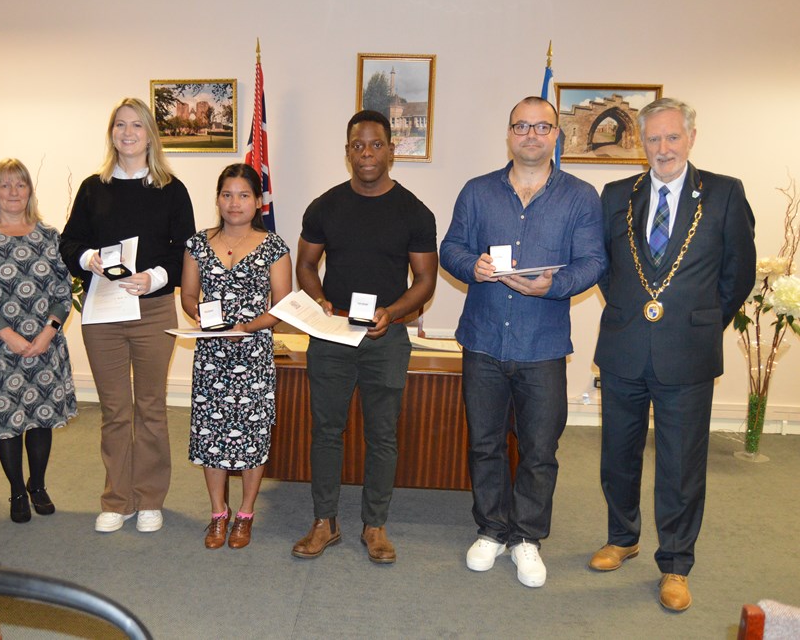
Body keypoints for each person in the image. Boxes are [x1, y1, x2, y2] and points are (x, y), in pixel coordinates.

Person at [590, 98, 756, 611]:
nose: (663, 148)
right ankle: (623, 538)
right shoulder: (616, 194)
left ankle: (676, 563)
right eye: (654, 139)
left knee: (682, 464)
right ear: (642, 142)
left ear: (690, 138)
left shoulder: (725, 194)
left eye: (672, 138)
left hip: (689, 350)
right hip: (623, 346)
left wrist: (701, 321)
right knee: (618, 454)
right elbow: (603, 266)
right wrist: (628, 307)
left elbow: (738, 274)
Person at [440, 96, 606, 588]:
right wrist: (472, 266)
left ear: (556, 134)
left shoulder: (580, 196)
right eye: (521, 126)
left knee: (539, 448)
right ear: (509, 134)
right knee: (485, 443)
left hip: (544, 345)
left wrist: (552, 285)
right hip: (484, 341)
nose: (531, 135)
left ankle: (527, 537)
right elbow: (450, 247)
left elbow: (594, 262)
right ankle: (492, 529)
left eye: (542, 127)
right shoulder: (477, 192)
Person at [291, 110, 438, 564]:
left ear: (392, 151)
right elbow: (306, 267)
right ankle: (324, 522)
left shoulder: (415, 212)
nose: (367, 154)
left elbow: (425, 281)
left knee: (382, 435)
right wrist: (320, 301)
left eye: (376, 145)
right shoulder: (324, 206)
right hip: (333, 337)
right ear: (347, 152)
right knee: (326, 431)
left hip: (386, 338)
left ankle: (375, 525)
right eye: (358, 145)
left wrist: (392, 313)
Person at [61, 97, 195, 534]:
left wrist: (155, 278)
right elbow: (69, 244)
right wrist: (88, 258)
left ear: (150, 134)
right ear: (111, 133)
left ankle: (151, 498)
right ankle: (117, 499)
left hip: (152, 309)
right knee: (115, 410)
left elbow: (185, 253)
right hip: (103, 310)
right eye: (120, 125)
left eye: (137, 125)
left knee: (151, 406)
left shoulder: (171, 189)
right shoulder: (92, 187)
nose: (128, 132)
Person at [180, 163, 292, 549]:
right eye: (227, 194)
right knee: (210, 435)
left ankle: (244, 514)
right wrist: (201, 317)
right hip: (211, 356)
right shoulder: (197, 243)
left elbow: (282, 306)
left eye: (244, 195)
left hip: (253, 355)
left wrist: (245, 328)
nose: (234, 203)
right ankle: (217, 514)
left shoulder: (274, 246)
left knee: (251, 436)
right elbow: (188, 296)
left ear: (257, 202)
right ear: (217, 199)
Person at [0, 158, 78, 523]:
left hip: (45, 345)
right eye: (4, 185)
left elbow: (63, 287)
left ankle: (37, 484)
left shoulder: (49, 235)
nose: (13, 192)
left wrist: (48, 333)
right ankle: (15, 489)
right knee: (6, 420)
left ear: (30, 190)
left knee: (41, 418)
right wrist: (8, 336)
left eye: (20, 184)